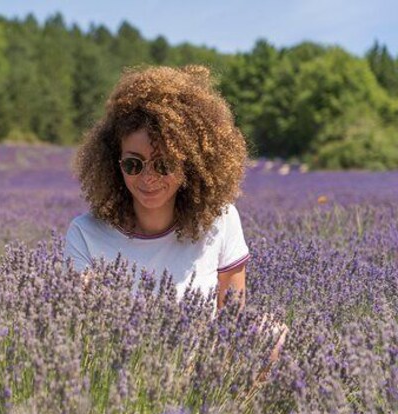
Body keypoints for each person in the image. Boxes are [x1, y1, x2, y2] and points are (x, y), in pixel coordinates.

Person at [64, 64, 286, 362]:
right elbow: (80, 334)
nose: (148, 178)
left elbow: (232, 323)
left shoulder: (221, 222)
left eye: (164, 164)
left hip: (199, 371)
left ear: (189, 164)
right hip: (119, 374)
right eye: (133, 164)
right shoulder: (85, 234)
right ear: (114, 164)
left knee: (270, 333)